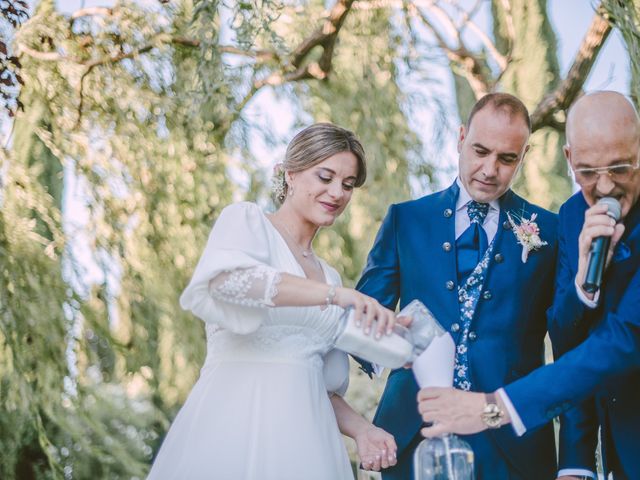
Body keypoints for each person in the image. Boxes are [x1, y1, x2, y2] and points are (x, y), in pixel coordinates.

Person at [147, 123, 400, 480]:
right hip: (234, 426)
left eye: (347, 184)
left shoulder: (330, 275)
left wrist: (363, 430)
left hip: (309, 445)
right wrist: (334, 297)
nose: (337, 193)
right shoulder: (247, 222)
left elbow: (321, 386)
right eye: (324, 177)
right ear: (290, 175)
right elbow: (227, 282)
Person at [417, 91, 640, 480]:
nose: (604, 187)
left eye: (620, 168)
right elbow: (570, 343)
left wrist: (493, 407)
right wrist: (577, 463)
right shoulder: (572, 217)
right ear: (569, 159)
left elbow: (622, 340)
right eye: (587, 171)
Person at [356, 93, 559, 479]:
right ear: (461, 137)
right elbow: (362, 322)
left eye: (507, 158)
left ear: (525, 155)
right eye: (480, 150)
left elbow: (570, 343)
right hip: (415, 430)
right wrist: (392, 343)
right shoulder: (407, 220)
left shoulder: (549, 231)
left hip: (511, 441)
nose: (489, 169)